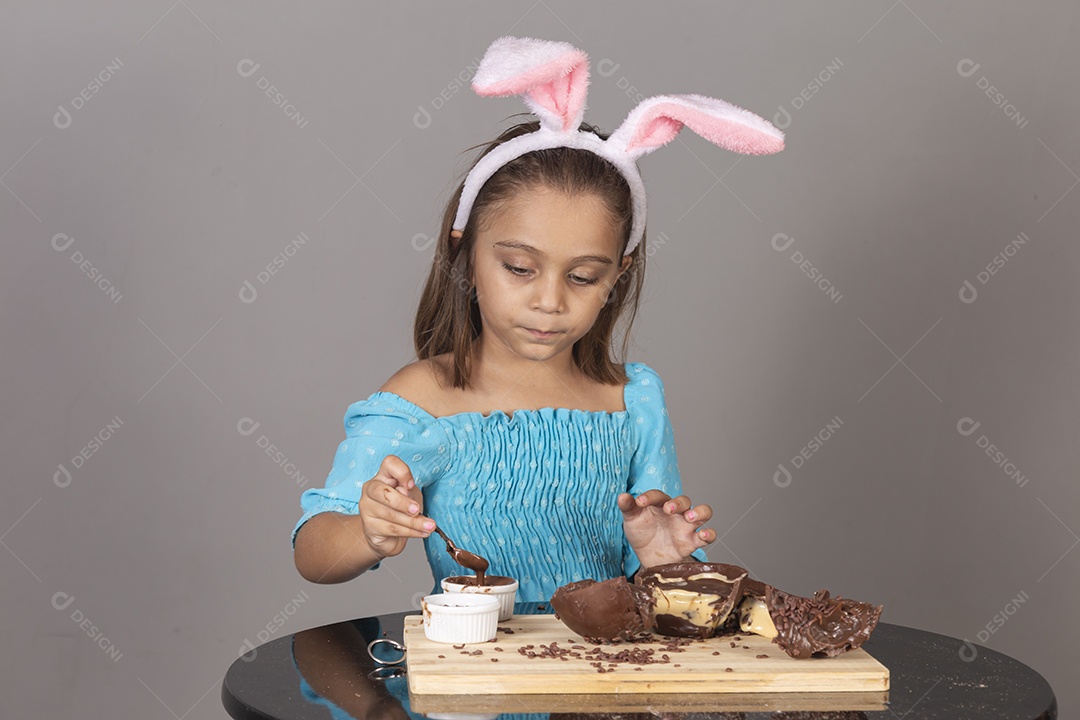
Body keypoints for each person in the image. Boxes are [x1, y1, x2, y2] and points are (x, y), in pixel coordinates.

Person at [291, 36, 783, 603]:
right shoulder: (425, 399)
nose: (549, 301)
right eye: (520, 268)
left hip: (611, 679)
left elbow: (672, 591)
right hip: (477, 677)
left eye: (582, 277)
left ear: (618, 275)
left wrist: (664, 563)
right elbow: (314, 552)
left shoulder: (631, 402)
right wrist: (368, 530)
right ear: (466, 254)